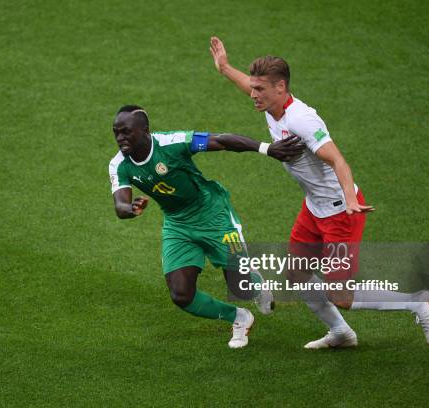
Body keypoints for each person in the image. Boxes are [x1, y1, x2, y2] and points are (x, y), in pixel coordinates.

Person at [209, 37, 429, 348]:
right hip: (314, 209)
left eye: (259, 89)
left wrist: (349, 197)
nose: (253, 94)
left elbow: (337, 159)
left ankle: (417, 303)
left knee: (341, 295)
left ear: (281, 88)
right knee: (296, 276)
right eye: (253, 87)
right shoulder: (270, 105)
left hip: (340, 213)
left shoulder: (301, 119)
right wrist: (224, 67)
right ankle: (341, 334)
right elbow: (247, 85)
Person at [108, 105, 305, 348]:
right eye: (116, 132)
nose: (120, 138)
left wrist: (267, 149)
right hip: (177, 225)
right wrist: (130, 208)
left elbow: (221, 141)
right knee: (181, 295)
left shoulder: (172, 143)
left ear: (145, 130)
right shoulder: (119, 165)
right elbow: (120, 205)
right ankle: (239, 318)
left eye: (126, 132)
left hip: (214, 215)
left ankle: (254, 283)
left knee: (240, 286)